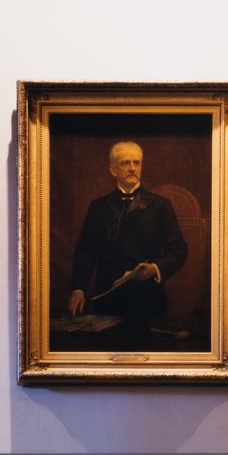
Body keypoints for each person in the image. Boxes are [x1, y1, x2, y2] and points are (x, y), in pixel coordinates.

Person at [66, 140, 187, 333]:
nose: (132, 168)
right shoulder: (98, 207)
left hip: (148, 300)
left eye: (136, 163)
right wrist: (78, 288)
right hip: (108, 300)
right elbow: (85, 251)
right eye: (125, 163)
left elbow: (178, 249)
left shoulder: (160, 205)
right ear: (113, 170)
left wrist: (155, 268)